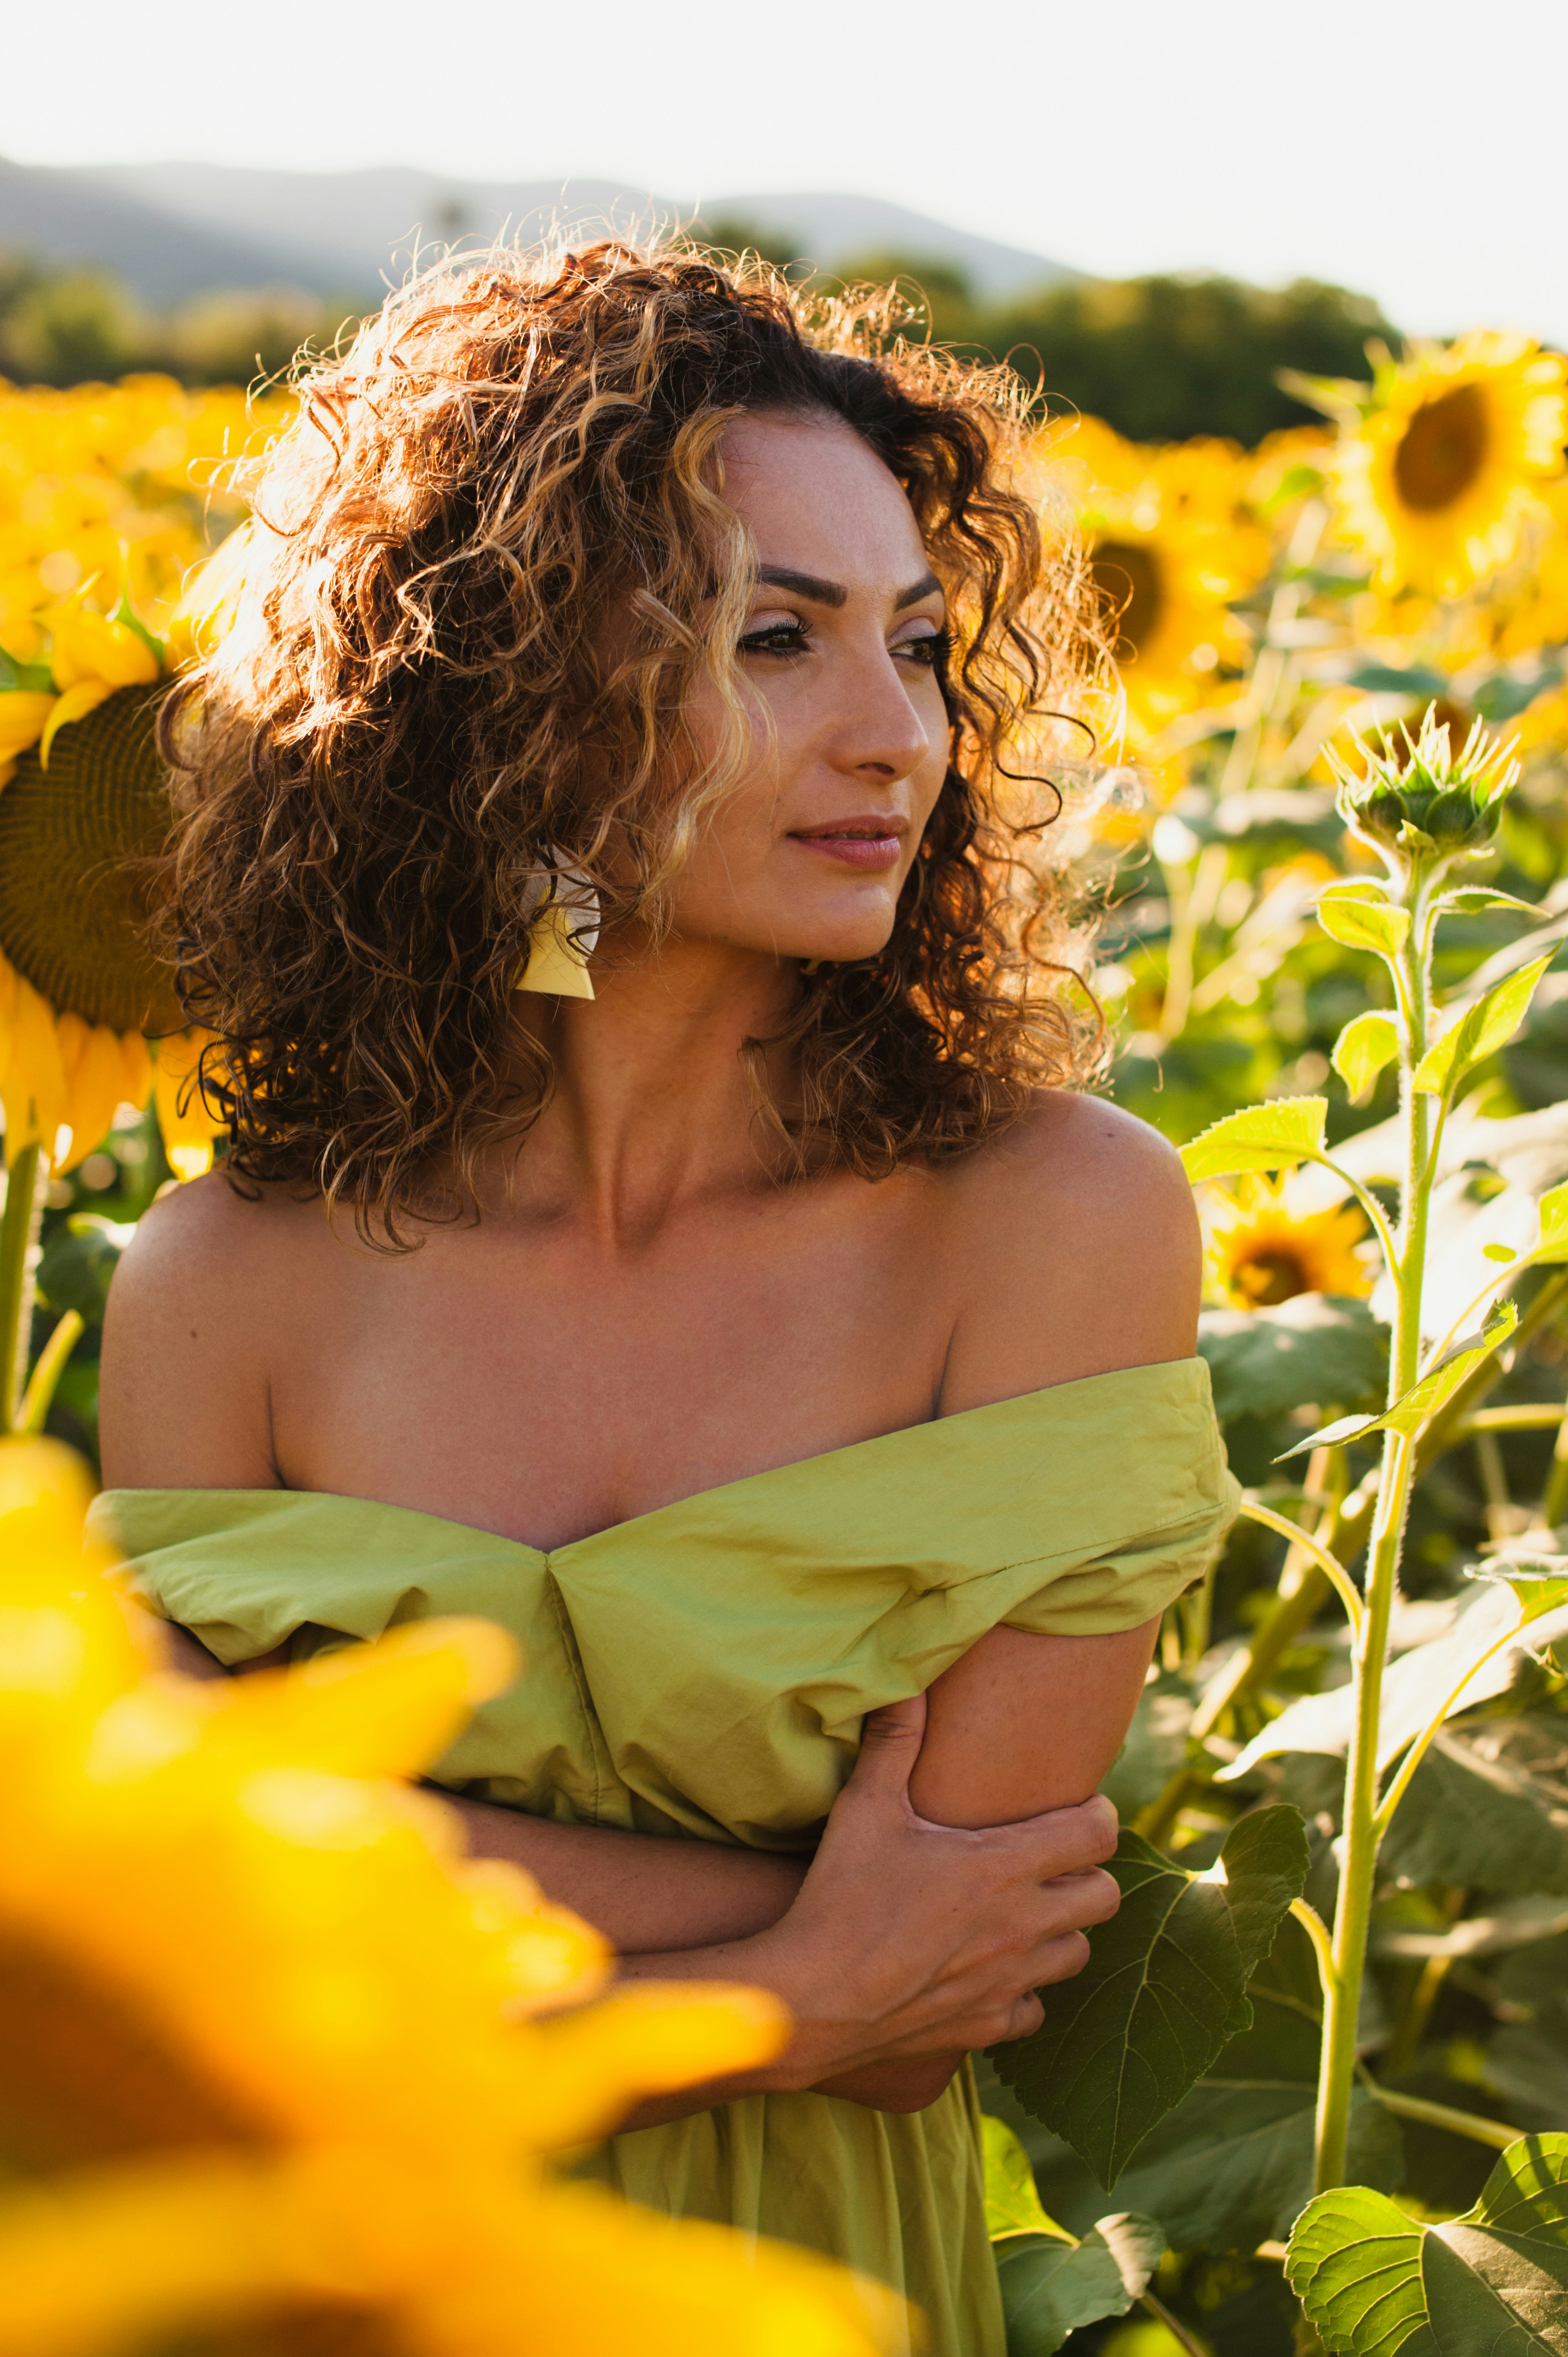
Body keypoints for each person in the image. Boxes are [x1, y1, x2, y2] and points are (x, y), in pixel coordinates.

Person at [95, 243, 1237, 2357]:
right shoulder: (223, 1283)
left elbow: (944, 2004)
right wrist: (794, 1970)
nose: (897, 734)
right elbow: (221, 1939)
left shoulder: (1052, 1222)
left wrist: (410, 1863)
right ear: (505, 691)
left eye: (913, 641)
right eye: (774, 638)